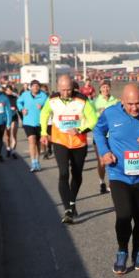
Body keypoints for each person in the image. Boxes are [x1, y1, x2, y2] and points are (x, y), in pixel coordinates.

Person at [94, 84, 139, 274]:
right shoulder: (111, 113)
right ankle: (122, 251)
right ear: (122, 101)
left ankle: (137, 251)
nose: (135, 108)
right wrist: (104, 151)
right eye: (130, 104)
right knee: (124, 215)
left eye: (138, 103)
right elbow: (98, 131)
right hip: (118, 174)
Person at [40, 75, 97, 224]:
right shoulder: (52, 99)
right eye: (63, 90)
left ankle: (72, 202)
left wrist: (80, 129)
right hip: (60, 141)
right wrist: (44, 133)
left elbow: (93, 120)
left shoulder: (82, 100)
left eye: (69, 90)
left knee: (77, 174)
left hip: (79, 142)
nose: (66, 93)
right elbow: (44, 113)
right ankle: (68, 210)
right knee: (64, 173)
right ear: (58, 88)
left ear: (73, 87)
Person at [93, 80, 120, 194]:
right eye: (103, 87)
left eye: (107, 87)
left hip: (112, 135)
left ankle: (112, 183)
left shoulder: (116, 101)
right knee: (102, 161)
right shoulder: (94, 102)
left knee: (113, 159)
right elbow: (90, 117)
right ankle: (102, 182)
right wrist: (99, 113)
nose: (105, 89)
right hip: (99, 134)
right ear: (100, 89)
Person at [17, 80, 48, 172]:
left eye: (37, 86)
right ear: (30, 87)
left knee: (38, 143)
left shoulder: (44, 96)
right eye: (34, 86)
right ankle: (33, 163)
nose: (35, 87)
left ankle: (37, 161)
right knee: (32, 140)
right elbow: (18, 102)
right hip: (28, 122)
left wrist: (42, 107)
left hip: (40, 123)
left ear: (39, 87)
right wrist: (22, 109)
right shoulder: (25, 95)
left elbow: (49, 107)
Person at [3, 84, 20, 158]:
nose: (9, 91)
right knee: (7, 136)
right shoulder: (3, 98)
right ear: (5, 91)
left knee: (14, 134)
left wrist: (15, 108)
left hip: (14, 117)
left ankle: (13, 151)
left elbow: (19, 106)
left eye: (10, 90)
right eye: (7, 90)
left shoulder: (15, 97)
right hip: (6, 118)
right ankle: (8, 148)